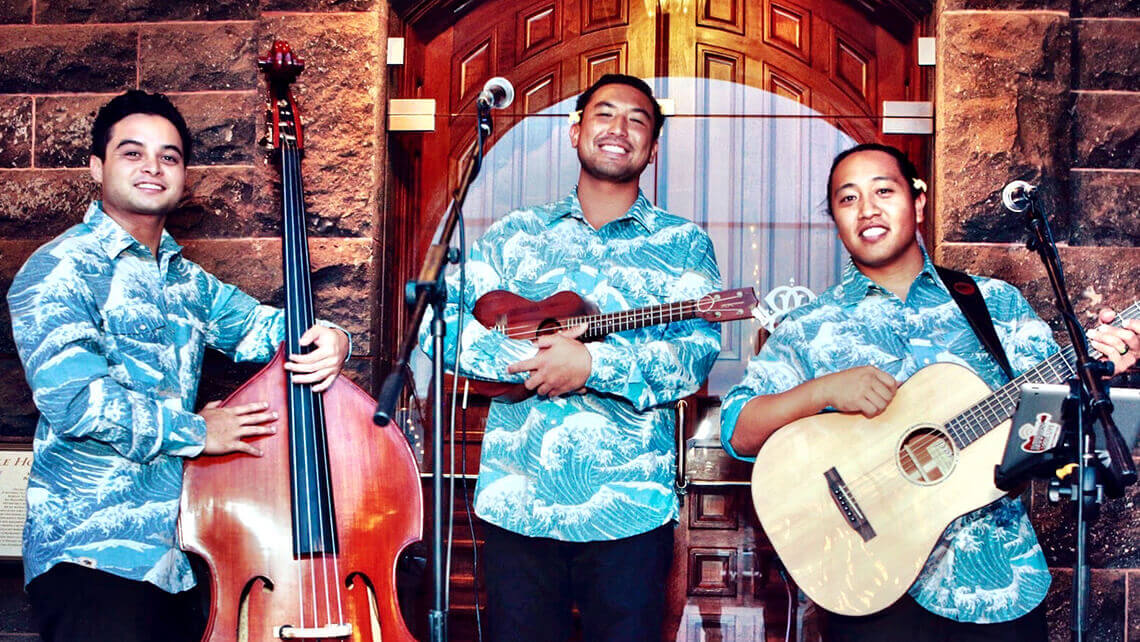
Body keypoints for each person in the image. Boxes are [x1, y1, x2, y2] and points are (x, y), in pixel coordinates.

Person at [720, 142, 1140, 641]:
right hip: (870, 584)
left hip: (999, 584)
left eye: (884, 190)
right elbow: (739, 430)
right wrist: (824, 390)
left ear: (917, 203)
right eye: (847, 198)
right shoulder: (810, 326)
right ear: (834, 218)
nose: (868, 209)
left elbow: (1052, 416)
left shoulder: (992, 302)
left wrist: (1101, 367)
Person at [7, 90, 351, 642]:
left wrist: (334, 337)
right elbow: (75, 403)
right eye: (132, 153)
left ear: (183, 176)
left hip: (187, 558)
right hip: (92, 559)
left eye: (169, 156)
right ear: (97, 167)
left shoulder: (186, 281)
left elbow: (268, 329)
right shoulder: (57, 268)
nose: (152, 167)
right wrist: (199, 430)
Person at [420, 74, 722, 641]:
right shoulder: (514, 234)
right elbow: (440, 326)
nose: (619, 128)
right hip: (519, 503)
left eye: (637, 119)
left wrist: (592, 367)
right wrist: (527, 360)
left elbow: (697, 352)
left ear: (653, 148)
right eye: (604, 113)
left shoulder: (684, 244)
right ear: (574, 130)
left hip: (628, 511)